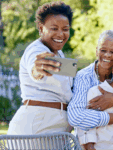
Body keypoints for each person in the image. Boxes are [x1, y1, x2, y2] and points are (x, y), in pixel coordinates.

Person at [7, 1, 74, 135]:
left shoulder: (60, 54)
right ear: (41, 27)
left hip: (56, 127)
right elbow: (35, 68)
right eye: (54, 28)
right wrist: (36, 70)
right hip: (36, 125)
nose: (60, 34)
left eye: (65, 29)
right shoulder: (36, 50)